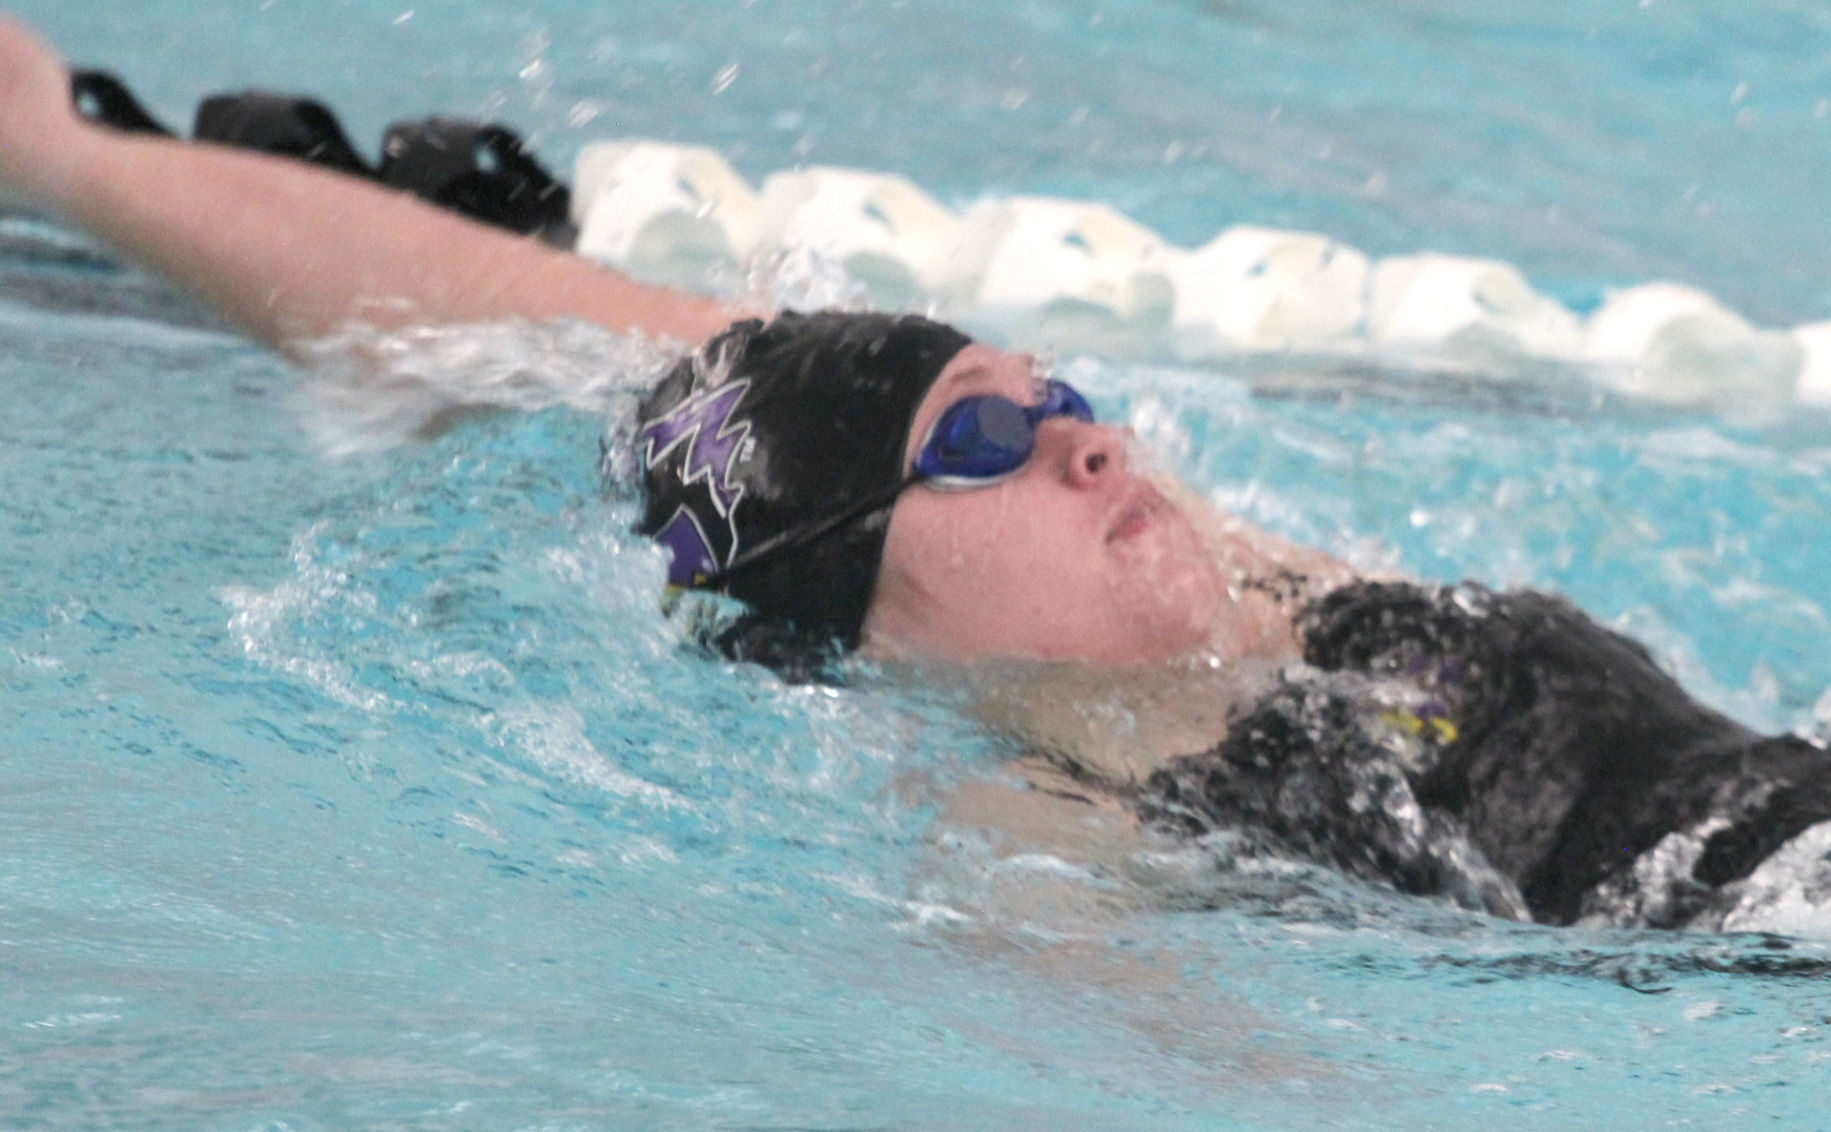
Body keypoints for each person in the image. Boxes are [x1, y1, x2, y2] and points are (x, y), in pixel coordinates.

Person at [4, 15, 1826, 933]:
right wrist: (57, 159)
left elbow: (603, 330)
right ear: (851, 601)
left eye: (1066, 398)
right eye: (980, 442)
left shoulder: (1274, 603)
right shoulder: (1052, 836)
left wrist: (83, 157)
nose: (1096, 442)